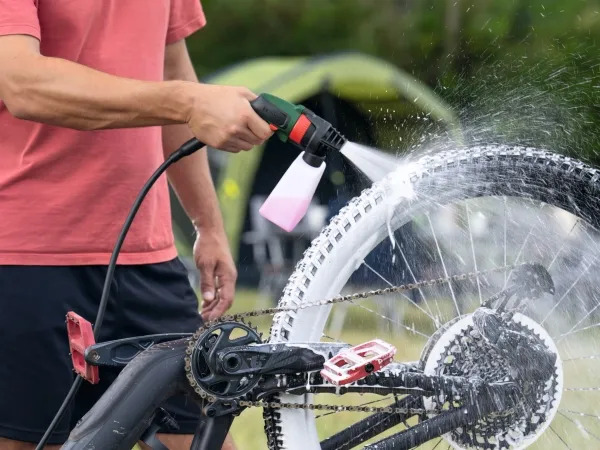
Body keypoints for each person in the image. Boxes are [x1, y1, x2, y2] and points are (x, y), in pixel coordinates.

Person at [0, 1, 272, 449]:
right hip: (26, 258)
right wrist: (189, 101)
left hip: (146, 258)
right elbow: (22, 84)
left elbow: (172, 69)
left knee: (206, 438)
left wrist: (208, 225)